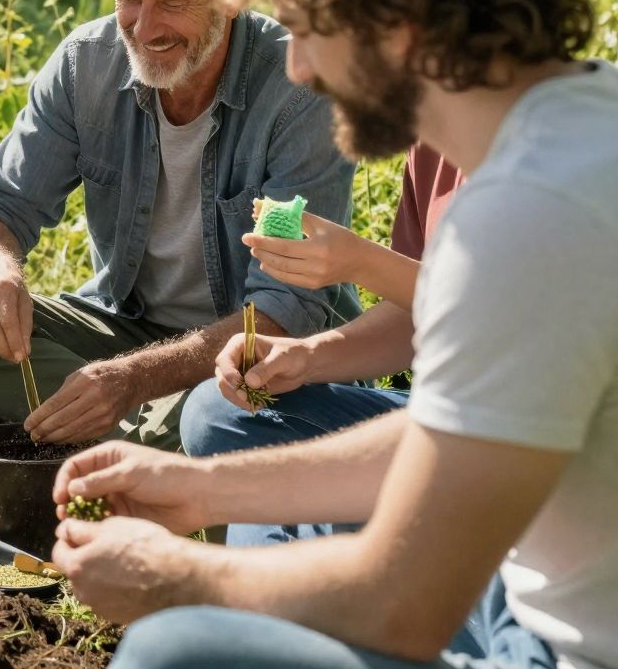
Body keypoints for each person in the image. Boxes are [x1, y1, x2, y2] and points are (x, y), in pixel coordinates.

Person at [38, 0, 618, 669]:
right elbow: (455, 441)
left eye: (308, 27)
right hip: (532, 591)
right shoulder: (574, 133)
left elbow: (405, 604)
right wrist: (204, 486)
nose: (297, 67)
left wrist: (181, 573)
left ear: (396, 19)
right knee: (239, 439)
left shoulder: (529, 215)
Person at [0, 0, 357, 455]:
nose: (145, 28)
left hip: (256, 353)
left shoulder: (299, 93)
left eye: (172, 4)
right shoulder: (86, 63)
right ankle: (134, 443)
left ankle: (59, 434)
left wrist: (132, 381)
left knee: (226, 409)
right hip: (128, 330)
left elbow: (283, 310)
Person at [182, 142, 463, 477]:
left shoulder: (516, 155)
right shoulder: (431, 147)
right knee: (214, 415)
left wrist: (362, 263)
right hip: (438, 411)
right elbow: (416, 315)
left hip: (502, 431)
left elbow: (505, 320)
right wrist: (307, 357)